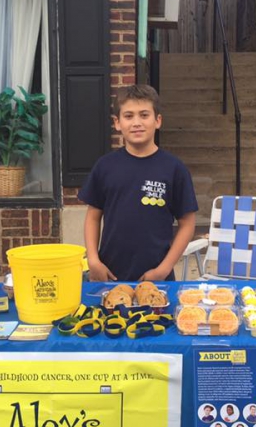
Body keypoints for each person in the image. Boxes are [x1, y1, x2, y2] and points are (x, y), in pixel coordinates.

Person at [78, 85, 198, 282]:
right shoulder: (105, 166)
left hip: (158, 277)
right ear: (117, 123)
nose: (136, 123)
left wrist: (163, 269)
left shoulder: (174, 168)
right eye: (128, 116)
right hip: (110, 275)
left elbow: (187, 224)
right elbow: (93, 217)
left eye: (144, 115)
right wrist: (93, 261)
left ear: (157, 120)